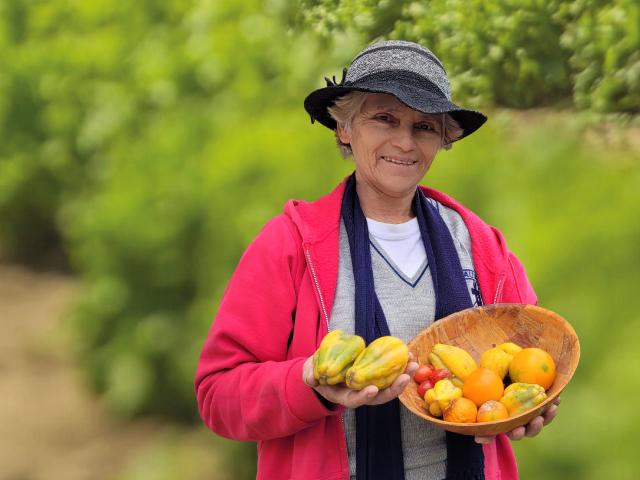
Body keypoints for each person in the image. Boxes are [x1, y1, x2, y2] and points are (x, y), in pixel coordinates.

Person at [195, 40, 559, 480]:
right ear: (344, 127)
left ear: (445, 139)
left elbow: (531, 360)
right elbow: (218, 395)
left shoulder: (479, 244)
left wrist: (531, 405)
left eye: (424, 126)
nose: (404, 142)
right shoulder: (292, 245)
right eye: (384, 118)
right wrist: (309, 382)